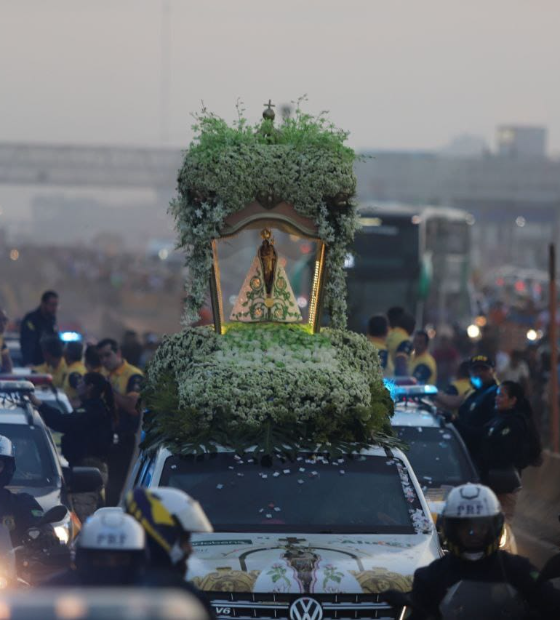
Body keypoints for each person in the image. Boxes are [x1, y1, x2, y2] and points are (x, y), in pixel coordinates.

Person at [408, 483, 560, 619]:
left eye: (481, 526)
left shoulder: (519, 569)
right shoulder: (430, 576)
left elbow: (550, 603)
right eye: (465, 527)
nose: (473, 533)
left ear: (495, 526)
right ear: (451, 528)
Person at [30, 373, 114, 522]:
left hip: (87, 470)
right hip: (85, 468)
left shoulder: (92, 411)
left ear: (90, 387)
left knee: (83, 518)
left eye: (81, 383)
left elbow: (63, 422)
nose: (78, 386)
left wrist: (40, 404)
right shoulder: (92, 408)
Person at [457, 381, 541, 523]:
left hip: (503, 486)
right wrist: (455, 422)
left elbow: (504, 453)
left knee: (502, 527)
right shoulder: (498, 420)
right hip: (489, 484)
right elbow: (479, 435)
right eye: (497, 395)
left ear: (513, 400)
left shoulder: (515, 423)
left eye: (501, 395)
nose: (497, 398)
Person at [125, 487, 214, 616]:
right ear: (165, 534)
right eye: (184, 539)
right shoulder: (182, 596)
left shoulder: (108, 585)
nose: (190, 549)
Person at [97, 338, 143, 505]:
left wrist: (109, 390)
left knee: (114, 485)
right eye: (100, 357)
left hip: (122, 438)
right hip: (104, 437)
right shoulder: (104, 374)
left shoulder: (133, 375)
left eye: (107, 355)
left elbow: (133, 407)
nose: (104, 360)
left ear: (118, 353)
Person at [48, 511, 148, 586]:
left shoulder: (154, 594)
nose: (111, 567)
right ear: (83, 559)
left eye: (120, 560)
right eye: (102, 559)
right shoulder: (55, 591)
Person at [0, 435, 45, 547]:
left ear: (7, 468)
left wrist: (46, 532)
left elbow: (40, 524)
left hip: (13, 563)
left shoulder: (22, 503)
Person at [456, 356, 499, 453]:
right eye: (475, 370)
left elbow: (484, 430)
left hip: (483, 452)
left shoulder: (496, 394)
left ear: (493, 371)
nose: (479, 373)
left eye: (484, 369)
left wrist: (455, 421)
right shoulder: (473, 393)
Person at [20, 291, 59, 366]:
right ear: (43, 304)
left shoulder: (52, 320)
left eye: (56, 305)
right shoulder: (31, 319)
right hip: (34, 364)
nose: (54, 308)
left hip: (49, 365)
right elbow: (27, 343)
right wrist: (28, 362)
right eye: (52, 305)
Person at [389, 312, 415, 377]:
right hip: (394, 383)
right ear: (412, 328)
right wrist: (407, 382)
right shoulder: (406, 341)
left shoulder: (388, 334)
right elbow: (401, 366)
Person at [63, 341, 86, 406]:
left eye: (64, 354)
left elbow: (84, 395)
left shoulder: (74, 373)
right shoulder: (80, 368)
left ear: (67, 355)